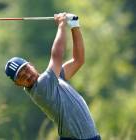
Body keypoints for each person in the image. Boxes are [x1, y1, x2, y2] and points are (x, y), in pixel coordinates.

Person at [5, 12, 101, 140]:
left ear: (31, 65)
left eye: (26, 69)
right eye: (22, 77)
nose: (27, 75)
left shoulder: (52, 80)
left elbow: (78, 60)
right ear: (18, 84)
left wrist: (74, 25)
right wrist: (61, 25)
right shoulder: (42, 87)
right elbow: (57, 56)